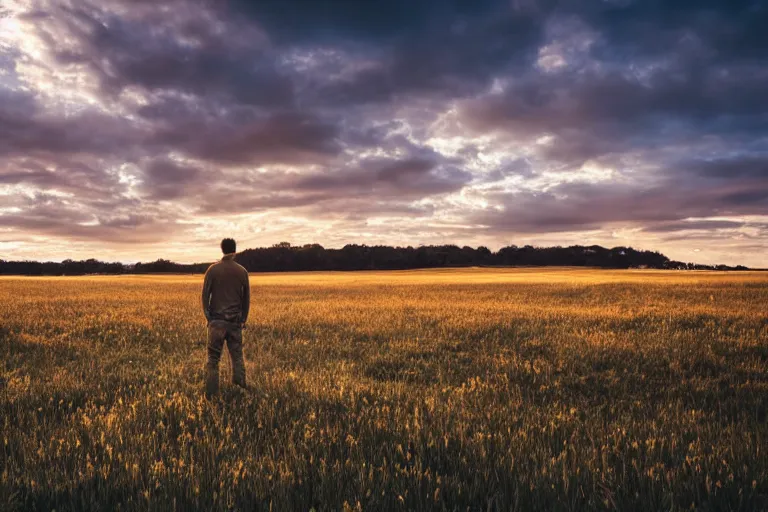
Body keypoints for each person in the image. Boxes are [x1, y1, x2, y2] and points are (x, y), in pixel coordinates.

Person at [201, 238, 250, 397]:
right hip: (235, 322)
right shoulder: (242, 271)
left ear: (222, 249)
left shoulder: (212, 270)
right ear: (234, 251)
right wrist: (243, 318)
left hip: (216, 322)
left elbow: (205, 296)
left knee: (213, 359)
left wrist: (208, 316)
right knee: (237, 358)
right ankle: (240, 390)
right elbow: (246, 298)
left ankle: (211, 393)